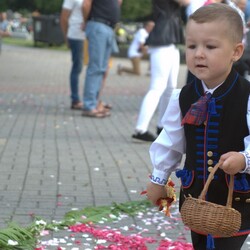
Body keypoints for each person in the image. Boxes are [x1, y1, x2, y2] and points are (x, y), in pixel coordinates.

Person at [146, 3, 250, 249]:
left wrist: (244, 160)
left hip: (236, 199)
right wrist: (158, 178)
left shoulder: (246, 95)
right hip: (195, 196)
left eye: (210, 46)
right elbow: (171, 142)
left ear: (236, 52)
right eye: (192, 46)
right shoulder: (183, 96)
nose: (198, 54)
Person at [132, 0, 191, 142]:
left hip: (169, 41)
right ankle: (141, 128)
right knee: (157, 87)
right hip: (162, 40)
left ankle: (162, 126)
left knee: (170, 87)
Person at [81, 0, 122, 118]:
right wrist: (86, 21)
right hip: (98, 25)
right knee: (96, 68)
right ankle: (89, 105)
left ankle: (94, 103)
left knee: (102, 69)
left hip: (107, 27)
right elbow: (85, 4)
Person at [60, 0, 85, 110]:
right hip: (76, 35)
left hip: (90, 34)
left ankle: (92, 99)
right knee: (77, 67)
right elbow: (64, 18)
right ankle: (75, 99)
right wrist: (66, 37)